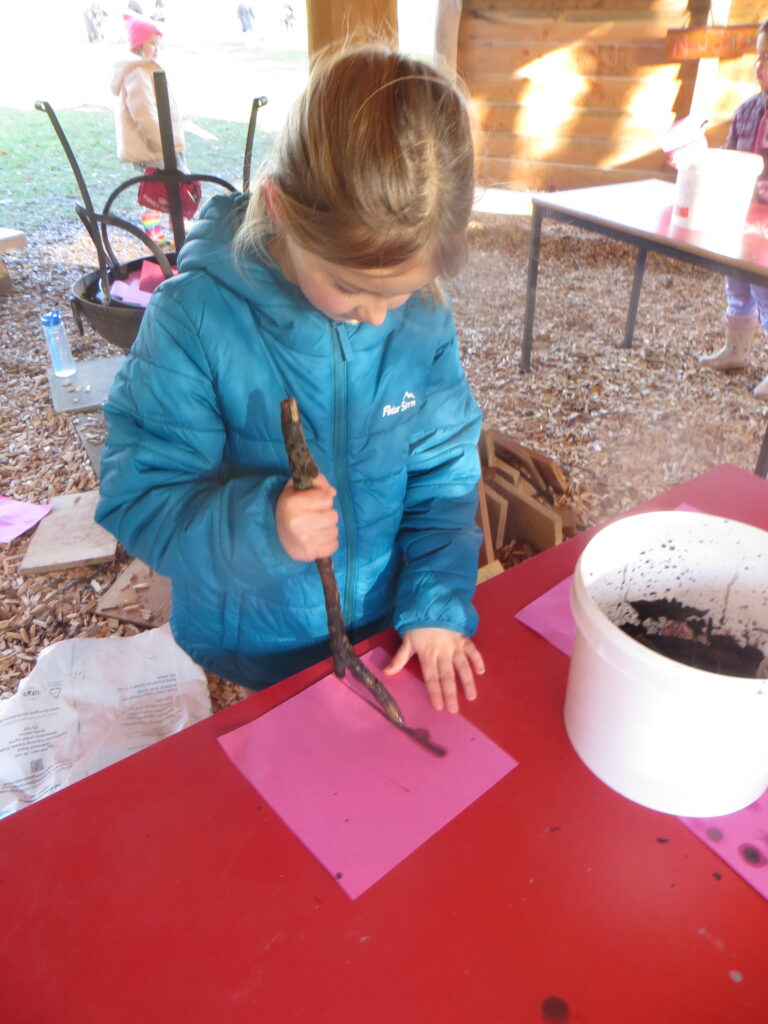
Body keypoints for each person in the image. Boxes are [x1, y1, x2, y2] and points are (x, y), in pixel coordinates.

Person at [96, 44, 485, 714]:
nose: (374, 318)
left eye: (399, 293)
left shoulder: (419, 320)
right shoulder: (195, 322)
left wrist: (435, 601)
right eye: (350, 287)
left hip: (387, 626)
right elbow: (139, 499)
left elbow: (443, 477)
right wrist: (264, 528)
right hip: (258, 644)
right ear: (278, 208)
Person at [699, 19, 768, 398]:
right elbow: (729, 158)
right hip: (741, 219)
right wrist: (700, 160)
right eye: (757, 55)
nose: (759, 64)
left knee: (766, 292)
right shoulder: (746, 111)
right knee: (736, 280)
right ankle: (737, 351)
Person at [111, 13, 187, 241]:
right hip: (154, 145)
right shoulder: (137, 72)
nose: (156, 49)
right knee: (164, 187)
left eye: (157, 44)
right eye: (152, 44)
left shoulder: (146, 69)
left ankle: (177, 226)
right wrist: (163, 142)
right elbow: (143, 112)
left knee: (172, 184)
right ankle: (163, 228)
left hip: (161, 143)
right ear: (138, 46)